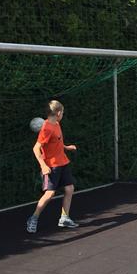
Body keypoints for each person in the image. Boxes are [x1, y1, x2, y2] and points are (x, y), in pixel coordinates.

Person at [26, 100, 79, 233]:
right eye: (63, 113)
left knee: (69, 188)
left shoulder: (56, 124)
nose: (63, 115)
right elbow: (36, 148)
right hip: (51, 166)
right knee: (50, 193)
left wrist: (66, 147)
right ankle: (33, 218)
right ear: (59, 113)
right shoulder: (47, 128)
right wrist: (43, 166)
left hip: (63, 162)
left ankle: (64, 218)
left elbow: (57, 141)